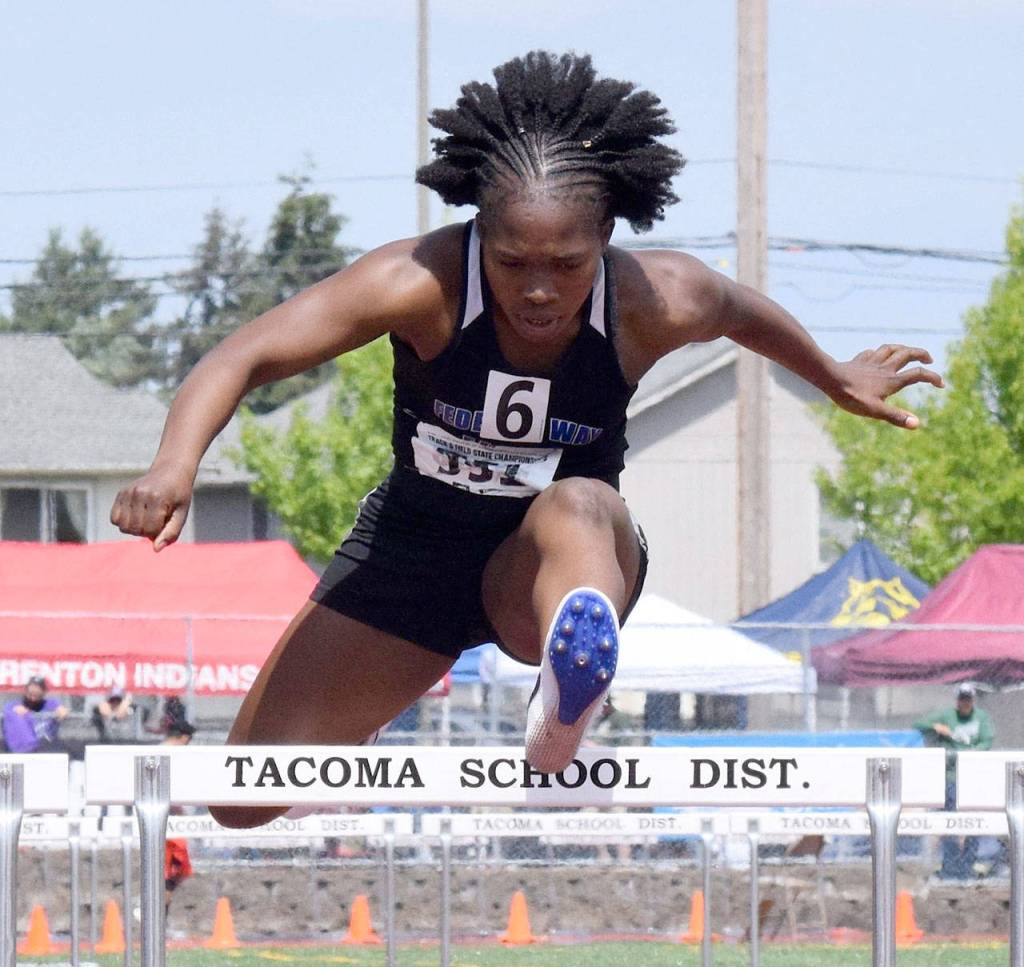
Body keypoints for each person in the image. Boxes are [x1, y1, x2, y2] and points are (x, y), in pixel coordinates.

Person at [110, 51, 942, 828]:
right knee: (241, 796)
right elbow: (244, 353)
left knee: (577, 501)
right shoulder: (418, 284)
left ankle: (563, 696)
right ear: (477, 235)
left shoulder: (656, 296)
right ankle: (383, 715)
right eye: (512, 264)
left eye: (569, 265)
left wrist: (834, 375)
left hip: (554, 562)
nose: (541, 291)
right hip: (414, 554)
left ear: (608, 239)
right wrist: (174, 462)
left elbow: (740, 312)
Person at [916, 683, 995, 879]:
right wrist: (936, 727)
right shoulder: (947, 716)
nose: (965, 702)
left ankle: (968, 865)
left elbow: (987, 741)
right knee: (949, 822)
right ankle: (950, 866)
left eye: (968, 698)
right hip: (950, 778)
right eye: (962, 698)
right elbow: (919, 724)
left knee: (974, 822)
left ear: (973, 700)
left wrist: (973, 753)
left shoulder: (981, 718)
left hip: (974, 778)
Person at [1, 676, 68, 753]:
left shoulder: (50, 703)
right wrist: (16, 712)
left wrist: (62, 712)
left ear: (44, 693)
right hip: (22, 748)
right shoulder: (14, 704)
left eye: (37, 696)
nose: (33, 698)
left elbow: (62, 710)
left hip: (46, 747)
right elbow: (7, 712)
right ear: (25, 691)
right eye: (30, 694)